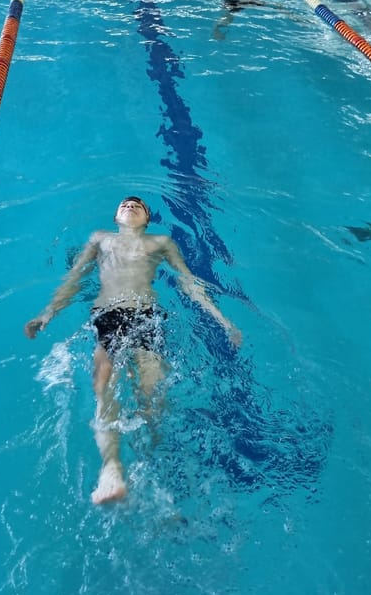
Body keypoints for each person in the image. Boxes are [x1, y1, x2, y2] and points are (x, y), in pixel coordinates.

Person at [25, 197, 241, 505]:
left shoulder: (160, 242)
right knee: (103, 386)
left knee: (152, 397)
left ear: (147, 219)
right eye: (125, 204)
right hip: (108, 315)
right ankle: (111, 470)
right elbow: (75, 278)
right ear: (115, 216)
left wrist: (223, 321)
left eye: (138, 205)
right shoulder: (100, 239)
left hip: (146, 316)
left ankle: (157, 474)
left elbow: (189, 282)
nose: (131, 204)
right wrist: (48, 313)